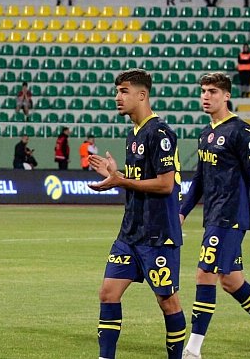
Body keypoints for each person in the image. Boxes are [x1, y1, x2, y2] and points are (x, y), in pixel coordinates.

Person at [179, 73, 250, 359]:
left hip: (230, 216)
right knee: (231, 281)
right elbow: (200, 180)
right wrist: (181, 213)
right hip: (214, 216)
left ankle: (193, 351)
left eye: (213, 92)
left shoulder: (240, 132)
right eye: (204, 91)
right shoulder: (206, 134)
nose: (206, 96)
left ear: (226, 96)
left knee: (204, 273)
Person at [86, 69, 184, 359]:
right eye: (117, 91)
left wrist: (120, 179)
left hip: (158, 235)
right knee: (108, 293)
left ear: (142, 95)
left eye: (124, 91)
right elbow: (139, 182)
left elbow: (166, 185)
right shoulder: (133, 136)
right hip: (130, 233)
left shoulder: (160, 133)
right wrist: (115, 174)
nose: (117, 97)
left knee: (168, 302)